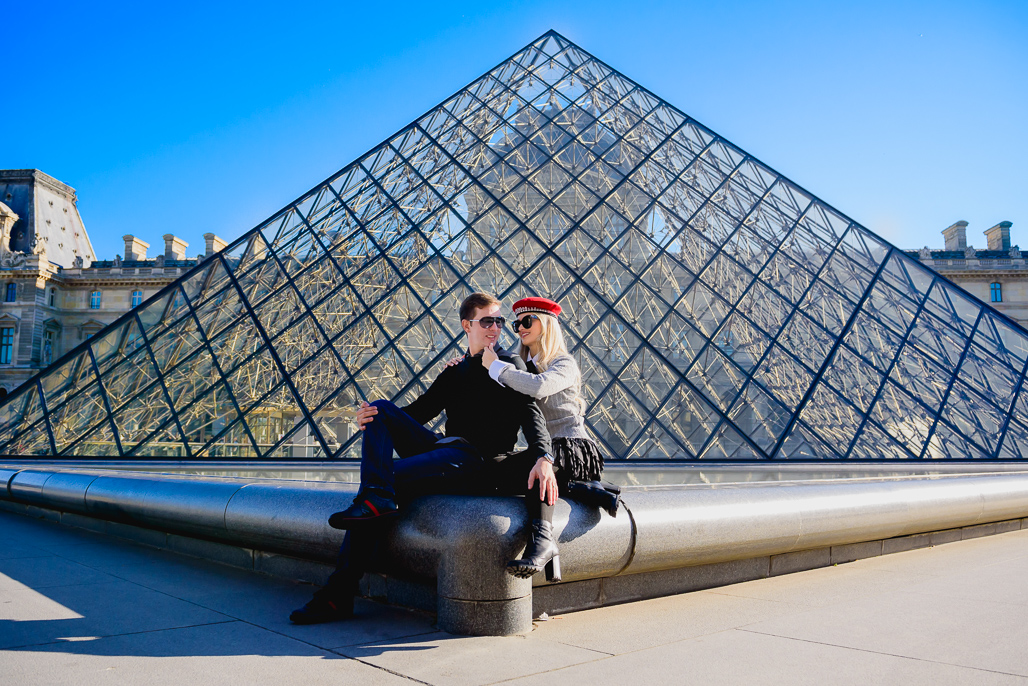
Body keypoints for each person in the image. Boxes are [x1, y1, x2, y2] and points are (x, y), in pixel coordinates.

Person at [289, 292, 559, 625]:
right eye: (487, 321)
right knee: (381, 409)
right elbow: (417, 413)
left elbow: (531, 412)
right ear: (466, 325)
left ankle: (337, 594)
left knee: (377, 488)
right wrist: (369, 415)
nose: (496, 328)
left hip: (472, 459)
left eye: (499, 321)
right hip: (441, 450)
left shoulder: (507, 366)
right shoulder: (455, 371)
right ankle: (377, 496)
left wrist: (544, 455)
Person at [446, 296, 621, 579]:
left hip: (571, 448)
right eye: (516, 324)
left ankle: (543, 542)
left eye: (527, 321)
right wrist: (466, 363)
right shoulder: (522, 367)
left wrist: (496, 367)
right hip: (546, 452)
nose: (519, 328)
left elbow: (538, 388)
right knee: (492, 472)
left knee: (534, 470)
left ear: (547, 324)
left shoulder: (562, 363)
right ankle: (581, 489)